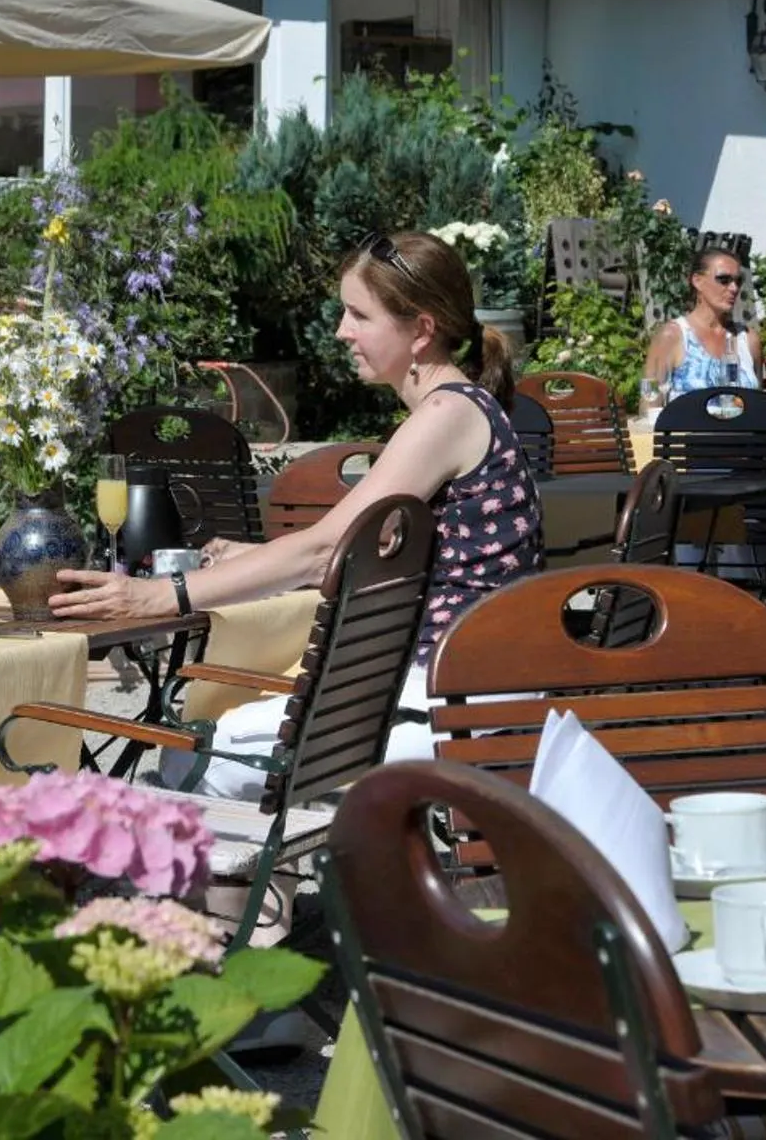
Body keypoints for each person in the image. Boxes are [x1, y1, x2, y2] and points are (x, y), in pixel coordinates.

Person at [48, 229, 542, 799]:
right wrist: (257, 557)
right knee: (204, 743)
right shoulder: (459, 409)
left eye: (360, 315)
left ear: (421, 330)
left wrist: (158, 596)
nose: (342, 330)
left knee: (194, 757)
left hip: (453, 701)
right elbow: (364, 553)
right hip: (468, 689)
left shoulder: (446, 415)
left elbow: (326, 550)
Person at [646, 246, 763, 399]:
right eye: (724, 280)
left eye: (738, 281)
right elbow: (649, 400)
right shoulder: (671, 336)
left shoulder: (748, 339)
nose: (734, 288)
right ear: (697, 281)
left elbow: (759, 402)